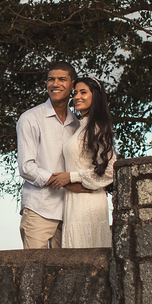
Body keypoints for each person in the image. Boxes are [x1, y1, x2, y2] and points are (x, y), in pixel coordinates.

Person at [17, 61, 82, 248]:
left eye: (62, 79)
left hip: (69, 211)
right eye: (51, 79)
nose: (55, 84)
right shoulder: (30, 118)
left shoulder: (77, 124)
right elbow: (26, 167)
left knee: (66, 265)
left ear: (72, 85)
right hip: (39, 209)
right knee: (34, 264)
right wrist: (63, 181)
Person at [49, 77, 116, 247]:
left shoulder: (98, 127)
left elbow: (110, 170)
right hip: (74, 201)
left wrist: (71, 177)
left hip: (89, 201)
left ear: (96, 96)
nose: (77, 97)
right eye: (75, 93)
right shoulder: (81, 126)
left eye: (83, 92)